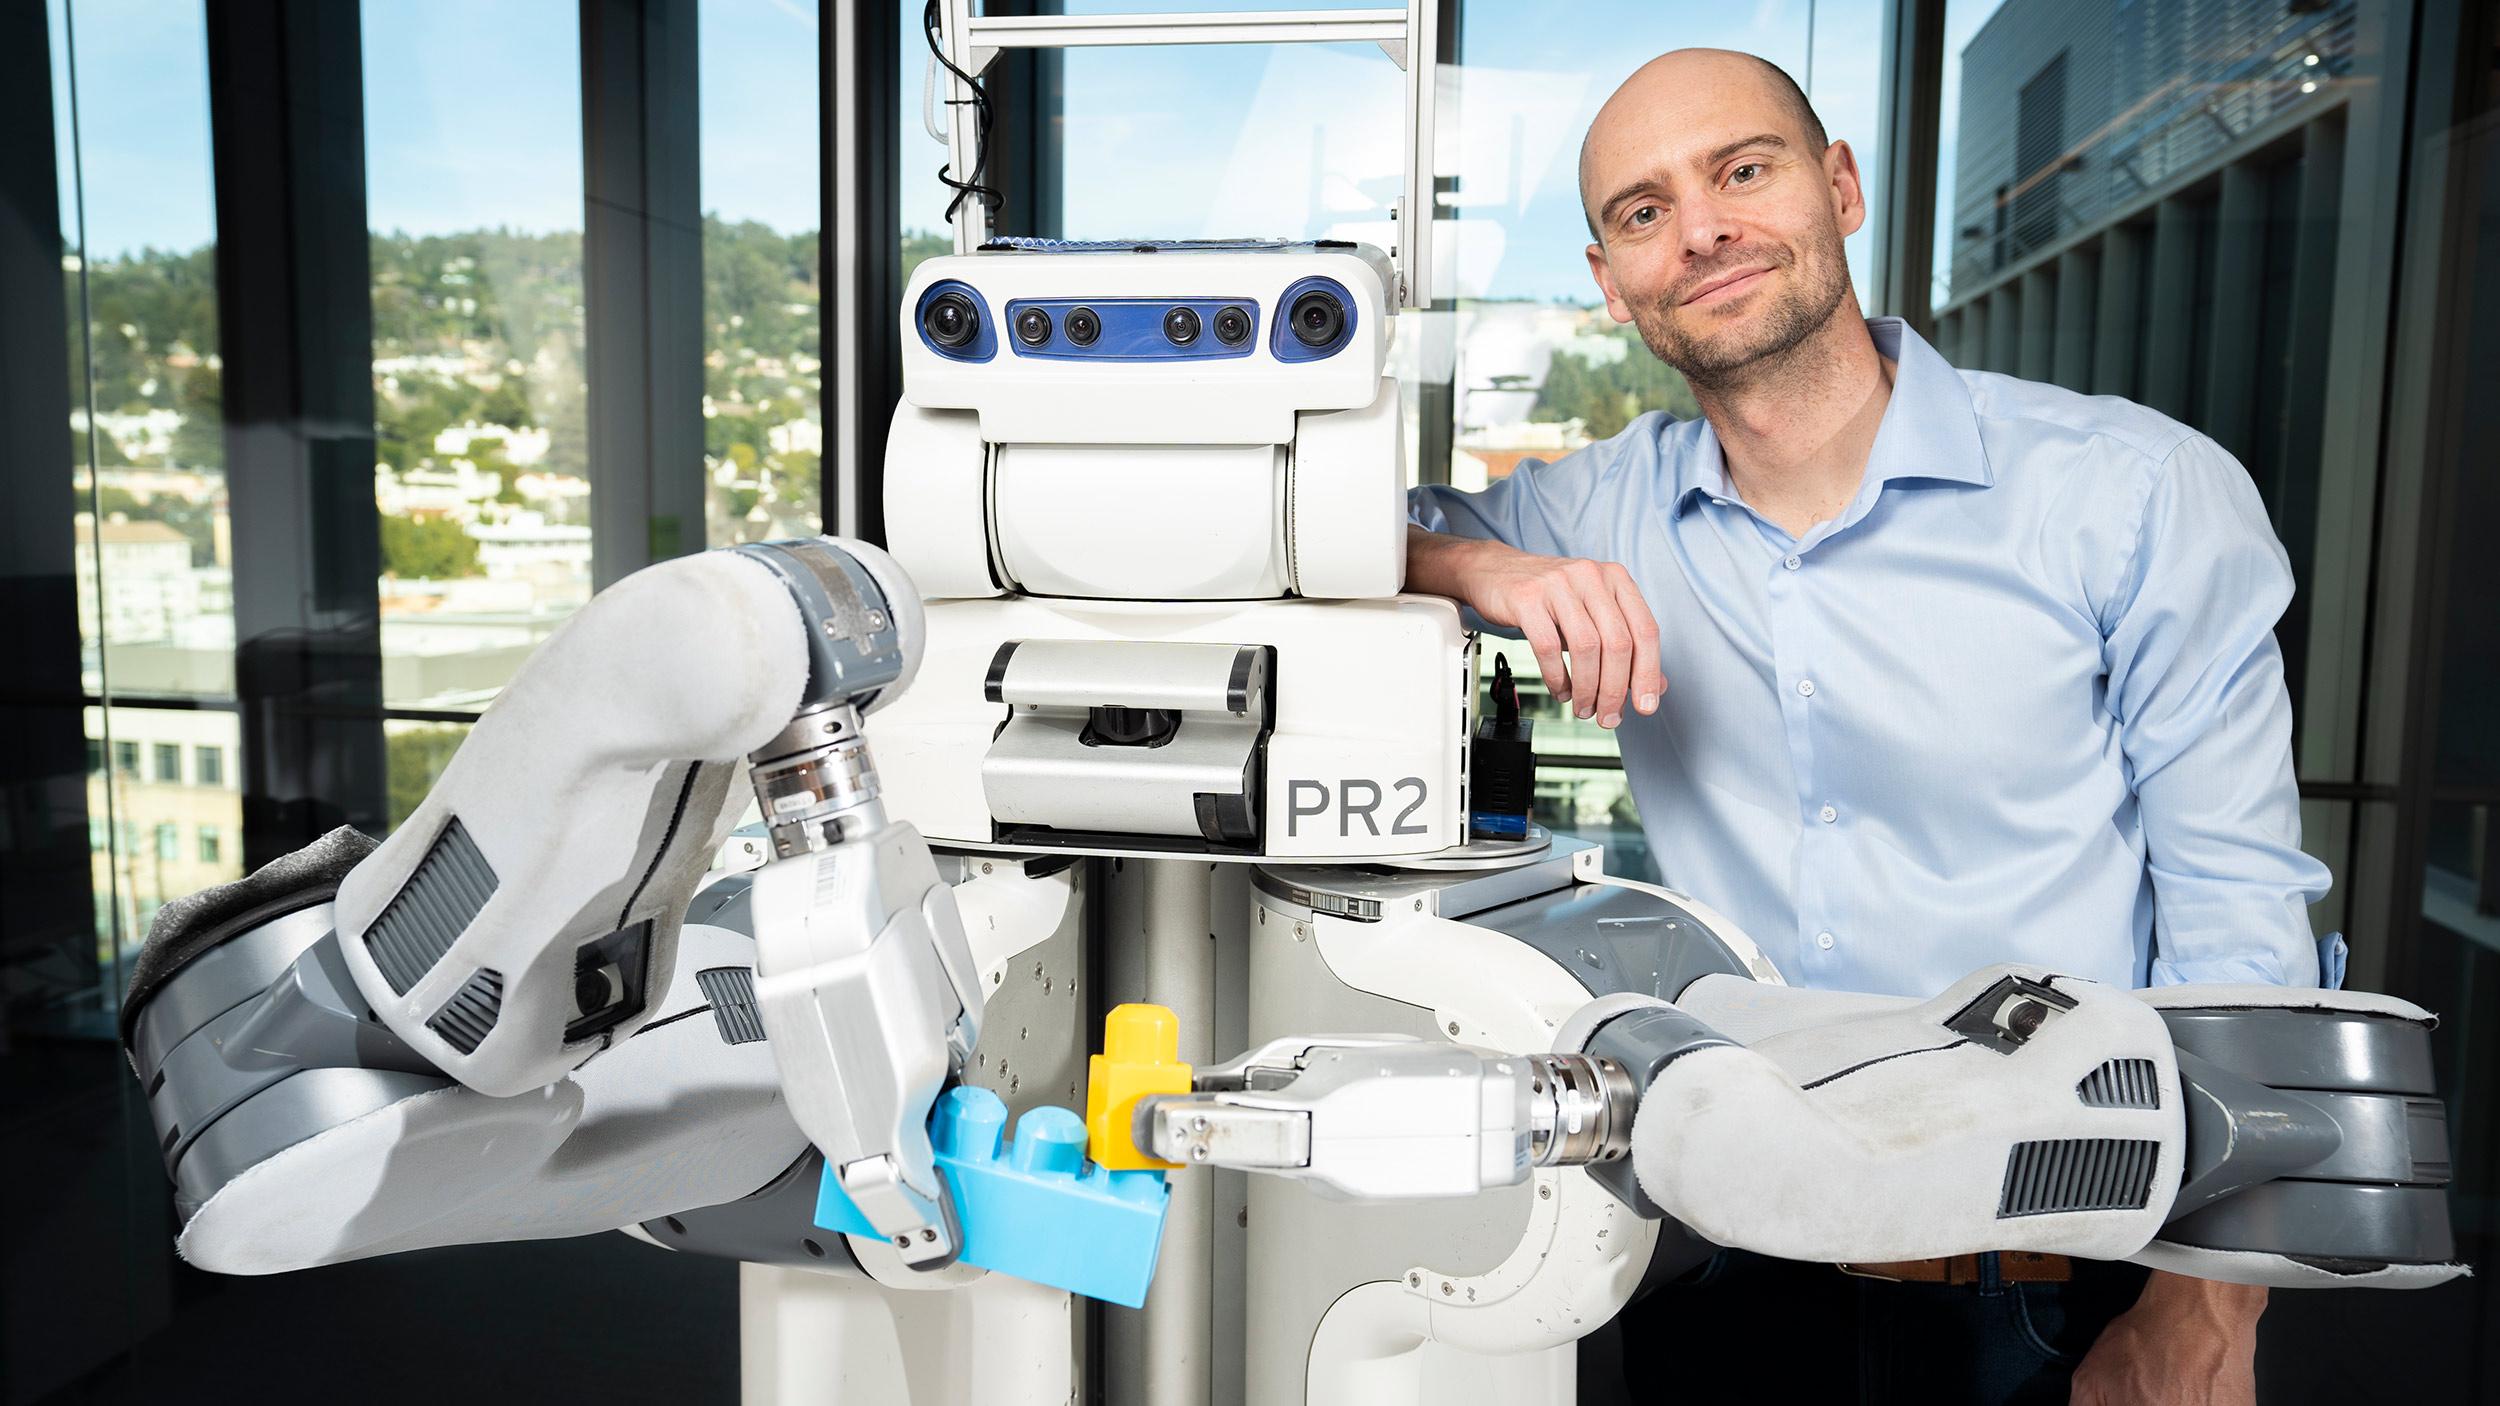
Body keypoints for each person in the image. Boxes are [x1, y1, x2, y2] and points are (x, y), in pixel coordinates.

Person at [1406, 47, 2334, 1406]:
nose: (1705, 228)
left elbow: (2242, 925)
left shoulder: (2132, 497)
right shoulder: (1590, 513)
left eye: (1743, 169)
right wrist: (1485, 568)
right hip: (1727, 1266)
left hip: (2059, 1276)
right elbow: (1307, 540)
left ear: (1839, 186)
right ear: (1610, 283)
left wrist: (2210, 1308)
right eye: (1646, 210)